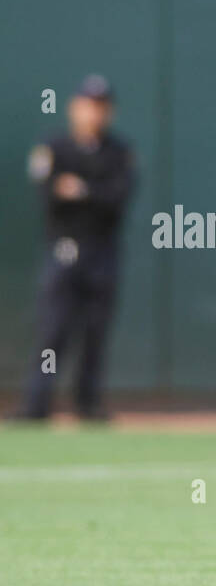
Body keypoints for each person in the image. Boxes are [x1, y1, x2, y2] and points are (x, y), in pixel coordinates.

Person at [12, 75, 134, 422]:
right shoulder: (55, 148)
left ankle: (88, 403)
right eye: (88, 105)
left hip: (102, 250)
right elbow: (49, 195)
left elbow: (118, 199)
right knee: (53, 329)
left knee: (95, 329)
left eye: (102, 106)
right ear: (74, 107)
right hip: (63, 248)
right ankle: (37, 405)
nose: (94, 113)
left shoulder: (119, 152)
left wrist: (82, 191)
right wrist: (91, 192)